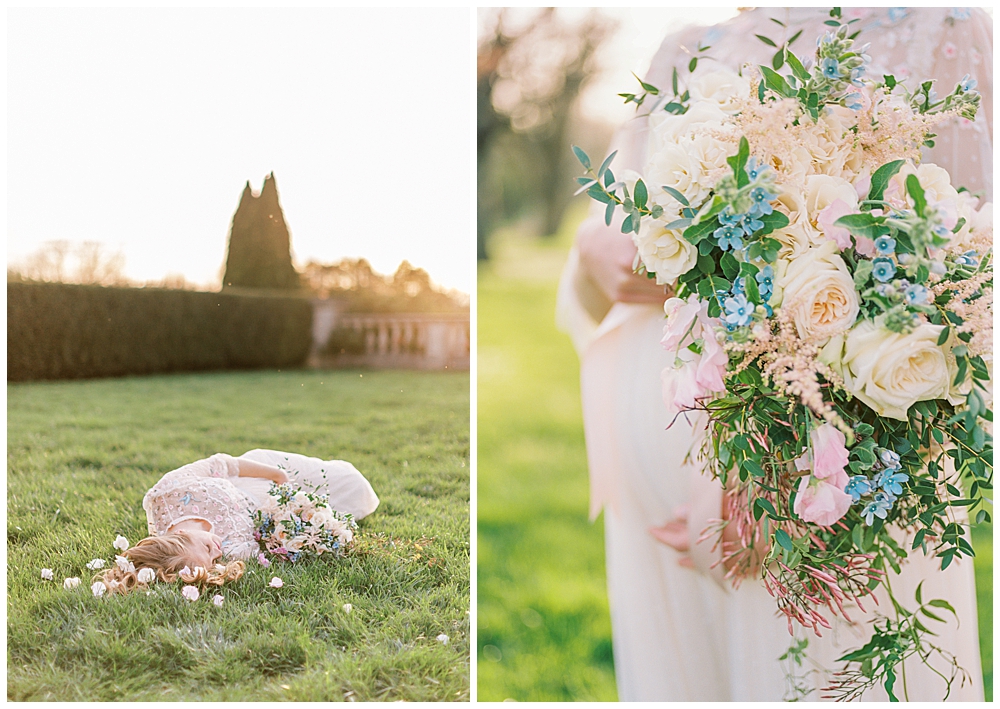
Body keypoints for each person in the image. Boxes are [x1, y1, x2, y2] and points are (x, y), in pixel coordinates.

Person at [556, 7, 990, 701]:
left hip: (821, 505)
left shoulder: (940, 30)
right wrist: (591, 250)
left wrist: (772, 461)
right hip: (662, 492)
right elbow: (596, 269)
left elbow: (958, 281)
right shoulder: (683, 49)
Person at [97, 450, 380, 593]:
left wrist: (277, 476)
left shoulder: (166, 494)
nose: (217, 552)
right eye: (213, 560)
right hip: (278, 507)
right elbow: (275, 551)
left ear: (181, 536)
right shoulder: (232, 552)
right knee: (354, 504)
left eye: (208, 548)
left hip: (259, 473)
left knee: (353, 482)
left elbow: (223, 463)